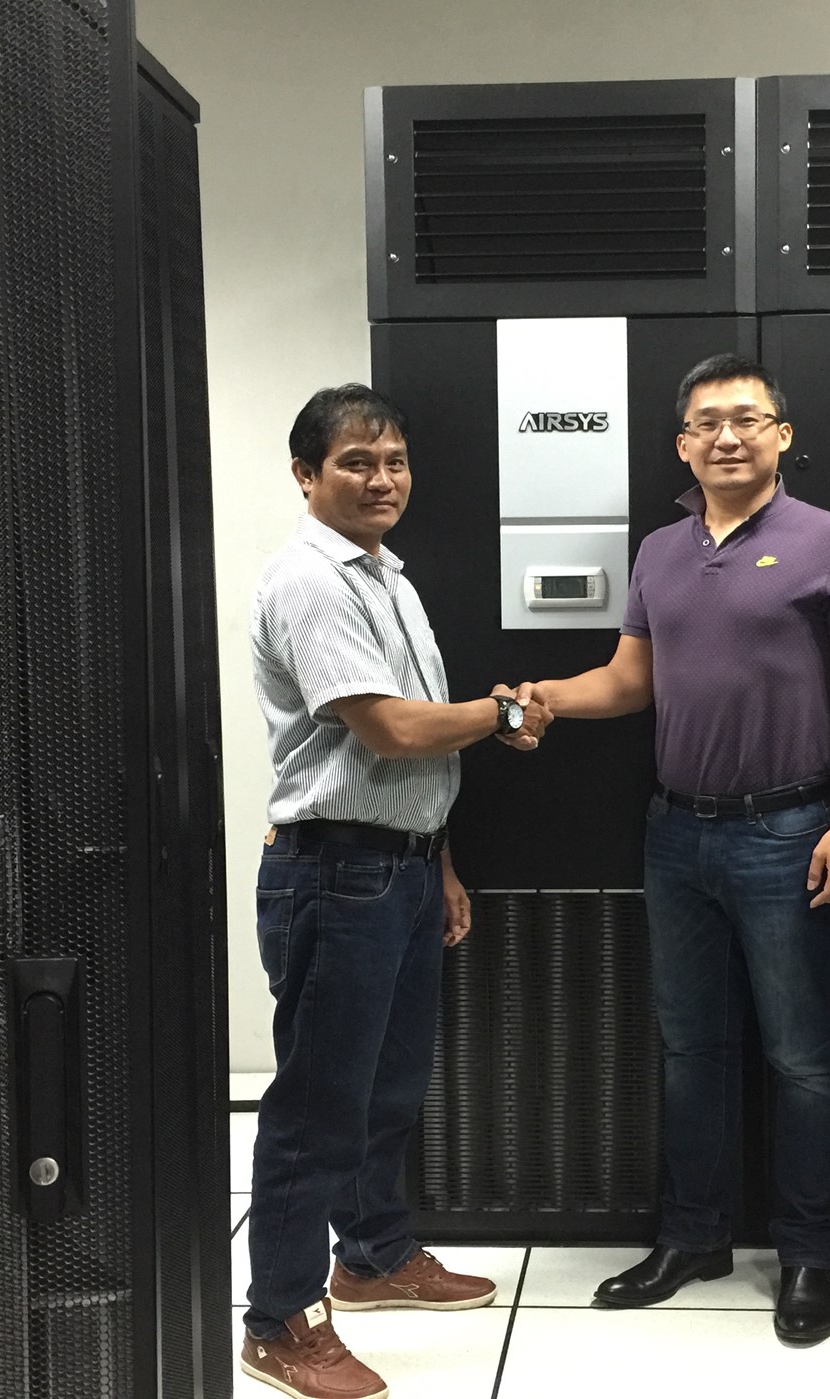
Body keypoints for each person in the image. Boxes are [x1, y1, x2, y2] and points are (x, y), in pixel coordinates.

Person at [518, 354, 830, 1345]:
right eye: (706, 423)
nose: (727, 437)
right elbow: (628, 680)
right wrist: (545, 697)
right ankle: (693, 1236)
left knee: (803, 1055)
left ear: (781, 434)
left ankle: (806, 1254)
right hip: (676, 832)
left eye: (746, 418)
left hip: (793, 830)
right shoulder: (659, 550)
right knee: (691, 1048)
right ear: (682, 444)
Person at [240, 384, 551, 1399]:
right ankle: (278, 1319)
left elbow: (415, 748)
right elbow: (390, 728)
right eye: (355, 462)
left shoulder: (387, 575)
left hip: (399, 868)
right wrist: (503, 712)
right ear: (305, 474)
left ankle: (371, 1257)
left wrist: (439, 860)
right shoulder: (310, 582)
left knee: (389, 1085)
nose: (382, 480)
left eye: (394, 461)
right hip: (335, 874)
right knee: (317, 1102)